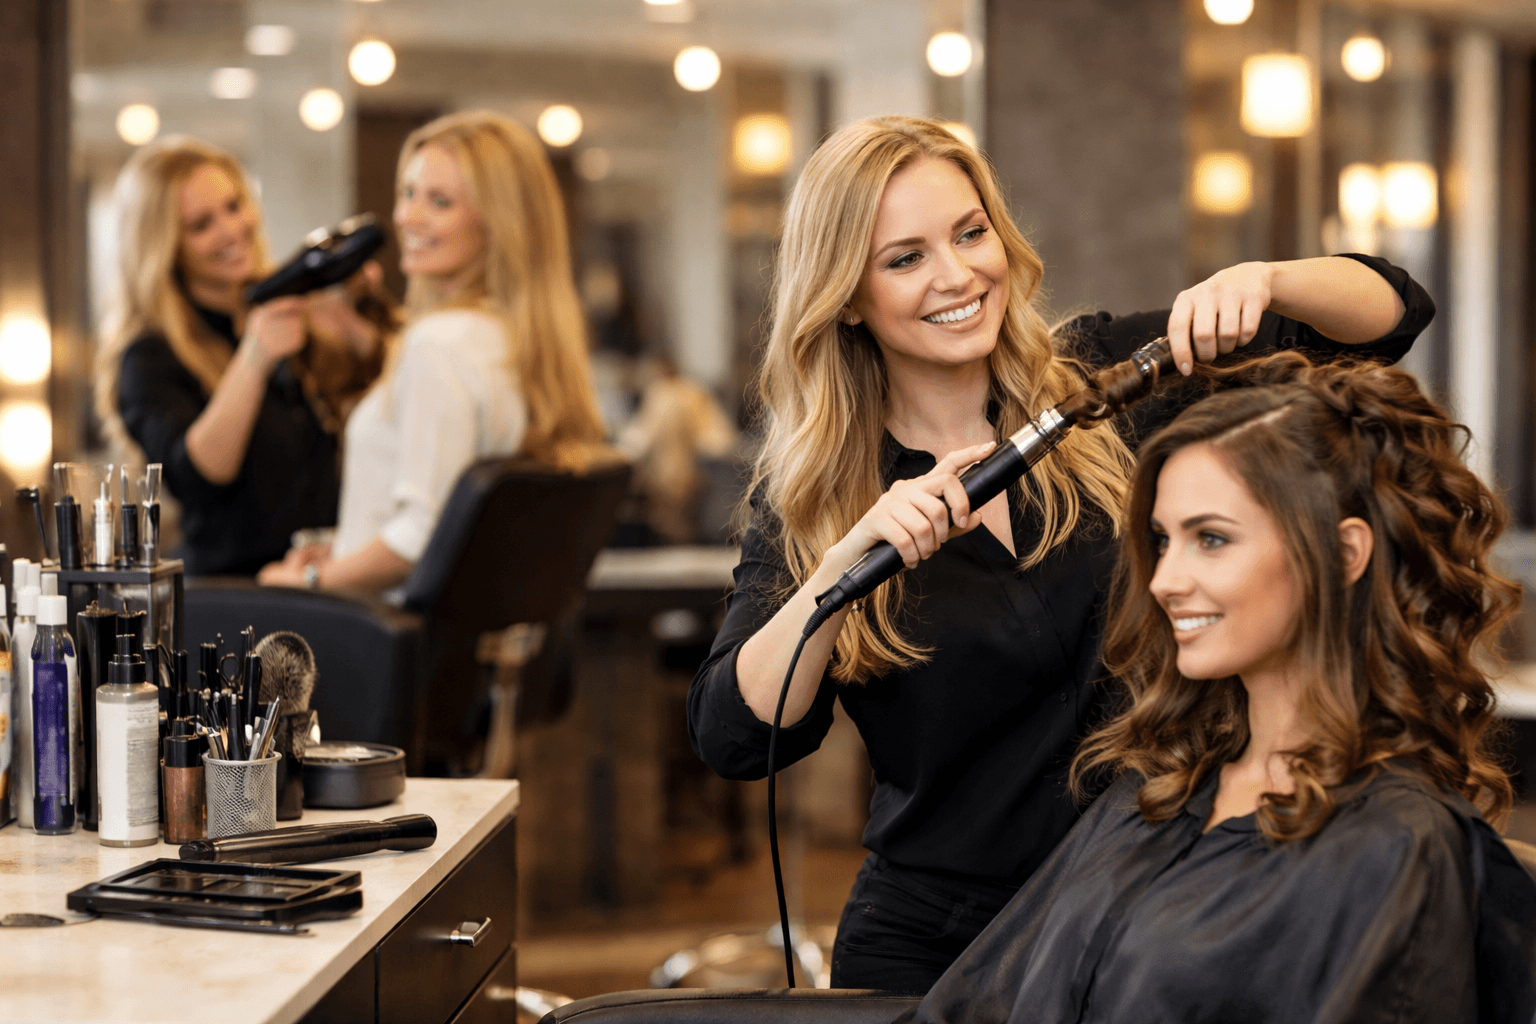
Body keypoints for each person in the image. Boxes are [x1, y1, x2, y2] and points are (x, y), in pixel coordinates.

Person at [687, 115, 1435, 989]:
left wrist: (1268, 280)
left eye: (972, 234)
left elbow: (1389, 316)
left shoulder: (1109, 383)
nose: (958, 274)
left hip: (1151, 913)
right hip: (938, 945)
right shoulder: (816, 502)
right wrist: (836, 575)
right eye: (906, 258)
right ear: (847, 295)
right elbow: (732, 739)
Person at [908, 355, 1536, 1023]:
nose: (1163, 580)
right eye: (1161, 540)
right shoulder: (1156, 793)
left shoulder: (1398, 844)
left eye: (1211, 539)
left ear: (1344, 553)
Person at [257, 110, 609, 594]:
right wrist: (345, 548)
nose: (407, 217)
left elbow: (419, 538)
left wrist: (309, 581)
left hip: (379, 638)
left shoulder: (439, 346)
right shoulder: (507, 340)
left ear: (496, 226)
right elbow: (452, 524)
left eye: (439, 202)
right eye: (408, 193)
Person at [98, 136, 391, 577]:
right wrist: (255, 358)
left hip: (312, 580)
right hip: (230, 598)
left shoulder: (286, 317)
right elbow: (197, 477)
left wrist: (352, 322)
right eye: (201, 225)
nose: (233, 230)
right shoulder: (149, 357)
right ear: (164, 246)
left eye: (234, 206)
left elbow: (372, 382)